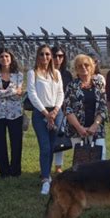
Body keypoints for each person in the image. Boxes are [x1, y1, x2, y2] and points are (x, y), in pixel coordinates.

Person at [27, 45, 64, 195]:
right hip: (40, 113)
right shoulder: (32, 73)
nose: (45, 57)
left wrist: (55, 111)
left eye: (48, 54)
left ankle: (48, 174)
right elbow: (32, 93)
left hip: (56, 112)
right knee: (45, 147)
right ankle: (45, 178)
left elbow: (61, 92)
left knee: (53, 145)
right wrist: (45, 112)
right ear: (37, 56)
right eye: (42, 54)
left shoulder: (56, 73)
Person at [64, 54, 108, 160]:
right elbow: (68, 109)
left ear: (91, 66)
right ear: (76, 69)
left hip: (97, 129)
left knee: (100, 158)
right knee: (81, 161)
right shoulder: (71, 86)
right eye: (80, 66)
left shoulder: (99, 85)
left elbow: (103, 107)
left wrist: (94, 126)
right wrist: (79, 128)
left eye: (86, 65)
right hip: (77, 130)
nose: (83, 67)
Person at [0, 47, 24, 178]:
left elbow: (19, 94)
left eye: (7, 56)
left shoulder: (18, 75)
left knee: (16, 143)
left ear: (11, 58)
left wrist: (0, 92)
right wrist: (13, 91)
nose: (4, 59)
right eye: (1, 57)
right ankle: (4, 172)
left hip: (15, 114)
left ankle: (15, 171)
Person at [51, 45, 73, 174]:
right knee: (47, 140)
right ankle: (46, 165)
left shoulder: (66, 74)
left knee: (59, 138)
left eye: (61, 56)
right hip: (46, 109)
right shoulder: (43, 72)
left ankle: (58, 166)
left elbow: (68, 93)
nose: (58, 59)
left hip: (62, 111)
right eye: (55, 56)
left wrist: (66, 109)